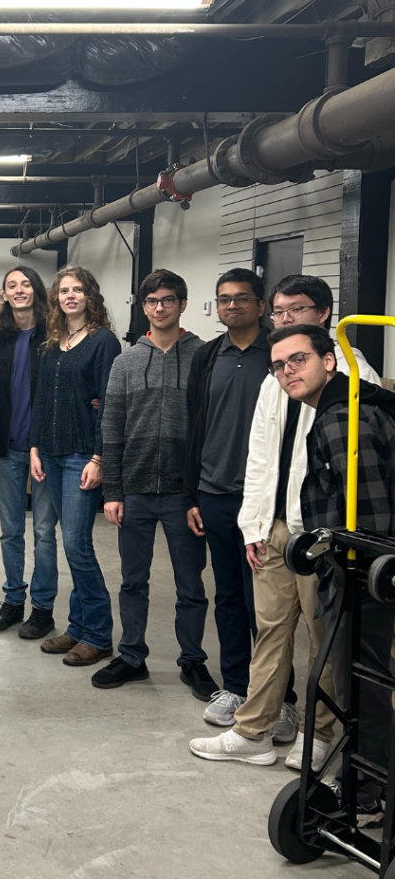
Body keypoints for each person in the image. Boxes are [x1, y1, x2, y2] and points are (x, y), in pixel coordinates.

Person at [190, 276, 379, 768]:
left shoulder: (357, 376)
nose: (285, 318)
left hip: (323, 535)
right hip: (275, 531)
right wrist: (254, 525)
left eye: (297, 309)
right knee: (271, 631)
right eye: (278, 310)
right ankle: (253, 732)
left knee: (326, 640)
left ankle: (318, 735)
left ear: (324, 315)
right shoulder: (275, 376)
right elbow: (259, 455)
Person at [283, 324, 395, 821]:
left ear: (329, 360)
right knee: (355, 679)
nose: (288, 371)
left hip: (365, 577)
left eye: (298, 360)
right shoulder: (340, 408)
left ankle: (369, 790)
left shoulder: (343, 419)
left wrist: (353, 572)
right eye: (279, 365)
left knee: (360, 681)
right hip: (352, 569)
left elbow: (370, 517)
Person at [92, 269, 215, 698]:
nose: (159, 307)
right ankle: (131, 656)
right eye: (151, 302)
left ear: (182, 304)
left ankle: (193, 661)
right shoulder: (126, 361)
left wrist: (200, 492)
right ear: (143, 307)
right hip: (136, 490)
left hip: (185, 494)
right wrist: (112, 492)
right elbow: (111, 427)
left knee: (191, 584)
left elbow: (211, 425)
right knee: (132, 580)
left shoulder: (204, 357)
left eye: (167, 300)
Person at [184, 268, 271, 725]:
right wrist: (192, 495)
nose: (231, 306)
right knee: (230, 596)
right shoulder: (207, 356)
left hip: (264, 499)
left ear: (260, 304)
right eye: (223, 299)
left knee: (271, 605)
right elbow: (193, 424)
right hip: (214, 493)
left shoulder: (278, 354)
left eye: (241, 298)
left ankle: (279, 695)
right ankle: (236, 687)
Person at [30, 265, 121, 666]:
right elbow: (39, 400)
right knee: (69, 545)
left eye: (78, 290)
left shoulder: (104, 343)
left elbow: (109, 405)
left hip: (81, 455)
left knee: (77, 545)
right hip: (49, 452)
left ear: (90, 296)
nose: (70, 296)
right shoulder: (52, 342)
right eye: (64, 291)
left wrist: (99, 458)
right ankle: (77, 628)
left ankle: (99, 635)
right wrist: (34, 447)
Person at [0, 266, 60, 640]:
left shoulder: (56, 336)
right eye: (11, 285)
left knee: (44, 531)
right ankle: (13, 600)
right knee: (10, 530)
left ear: (36, 291)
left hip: (46, 450)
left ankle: (42, 608)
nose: (19, 290)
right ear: (4, 295)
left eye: (25, 284)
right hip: (7, 448)